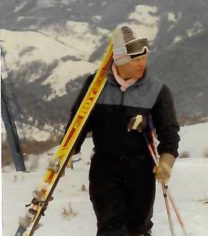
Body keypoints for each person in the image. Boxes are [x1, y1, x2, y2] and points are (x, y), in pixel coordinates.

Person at [68, 25, 180, 236]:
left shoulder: (157, 90)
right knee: (111, 229)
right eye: (135, 59)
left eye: (144, 58)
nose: (142, 64)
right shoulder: (96, 86)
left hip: (141, 169)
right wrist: (69, 151)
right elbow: (79, 122)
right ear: (119, 60)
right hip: (105, 169)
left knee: (139, 229)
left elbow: (169, 130)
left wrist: (166, 160)